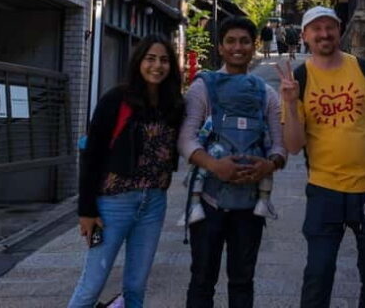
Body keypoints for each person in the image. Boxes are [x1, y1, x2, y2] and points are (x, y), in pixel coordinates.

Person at [279, 6, 365, 308]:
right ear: (305, 36)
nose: (324, 34)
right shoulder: (299, 79)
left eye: (329, 27)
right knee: (318, 274)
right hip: (324, 190)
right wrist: (291, 105)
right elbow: (293, 146)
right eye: (316, 28)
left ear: (339, 29)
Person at [68, 34, 184, 308]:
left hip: (154, 203)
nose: (157, 66)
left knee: (136, 286)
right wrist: (86, 211)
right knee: (91, 285)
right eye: (151, 59)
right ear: (139, 62)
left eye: (164, 60)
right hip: (112, 204)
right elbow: (92, 155)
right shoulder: (116, 99)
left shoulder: (174, 104)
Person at [179, 16, 286, 308]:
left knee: (242, 280)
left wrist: (269, 165)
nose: (238, 48)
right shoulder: (202, 87)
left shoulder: (267, 93)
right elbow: (186, 139)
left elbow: (279, 144)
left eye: (244, 41)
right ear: (221, 47)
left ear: (254, 47)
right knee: (202, 279)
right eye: (231, 41)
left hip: (249, 203)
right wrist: (215, 166)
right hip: (208, 201)